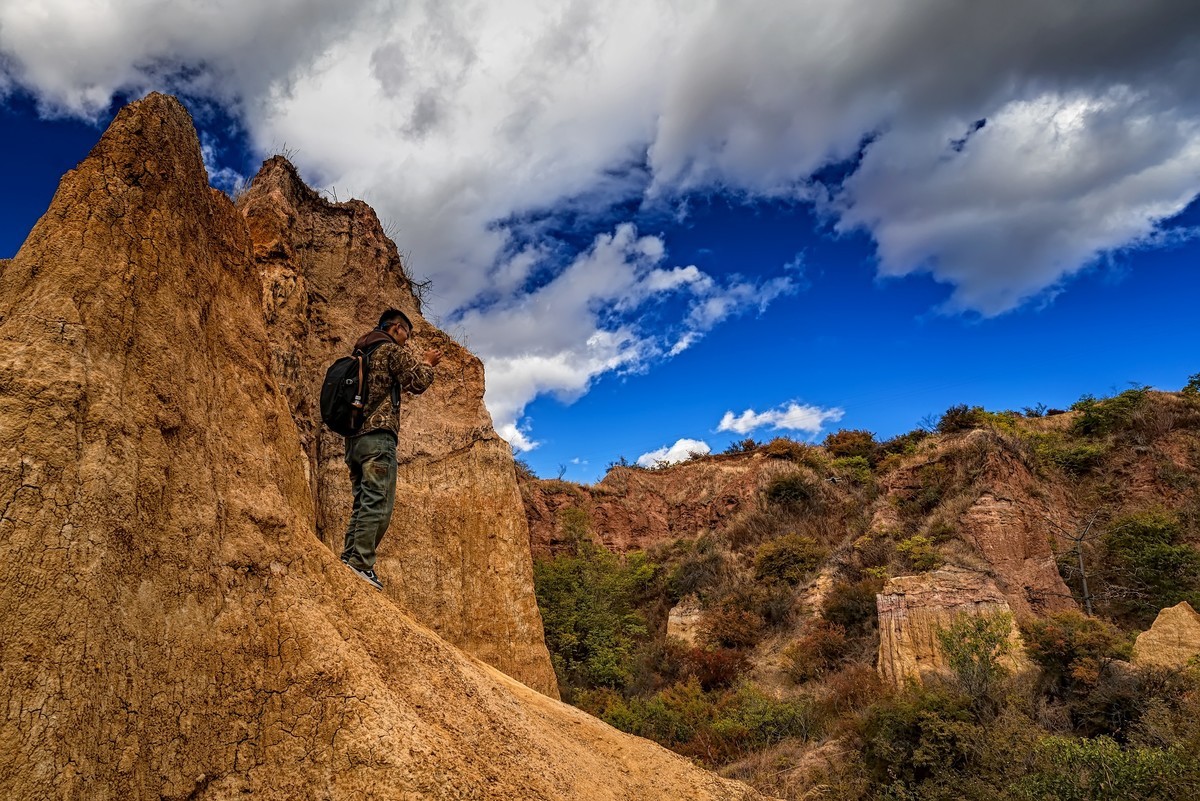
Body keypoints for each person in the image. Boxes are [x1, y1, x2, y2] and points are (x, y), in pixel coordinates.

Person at [340, 308, 440, 590]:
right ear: (396, 328)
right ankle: (360, 563)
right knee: (379, 502)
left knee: (363, 501)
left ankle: (349, 558)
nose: (407, 340)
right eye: (406, 334)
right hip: (377, 439)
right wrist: (428, 363)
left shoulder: (361, 353)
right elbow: (416, 381)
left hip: (354, 442)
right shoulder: (389, 349)